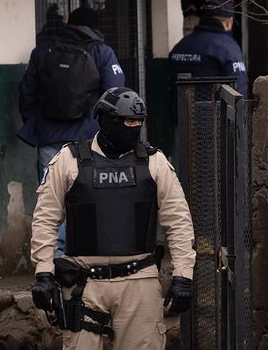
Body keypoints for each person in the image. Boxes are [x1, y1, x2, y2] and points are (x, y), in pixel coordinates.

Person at [30, 87, 196, 350]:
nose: (134, 128)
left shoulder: (154, 162)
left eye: (138, 123)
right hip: (84, 284)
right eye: (127, 122)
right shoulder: (69, 160)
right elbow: (45, 218)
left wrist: (183, 275)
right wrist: (43, 272)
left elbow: (178, 221)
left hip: (139, 281)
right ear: (106, 120)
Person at [19, 6, 125, 255]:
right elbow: (115, 94)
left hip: (48, 139)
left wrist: (37, 125)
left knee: (50, 200)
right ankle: (86, 254)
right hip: (88, 139)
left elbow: (26, 93)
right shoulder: (102, 52)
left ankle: (54, 258)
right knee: (89, 196)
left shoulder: (42, 50)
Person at [169, 0, 249, 97]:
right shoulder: (228, 46)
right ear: (228, 23)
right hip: (214, 106)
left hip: (180, 106)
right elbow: (239, 86)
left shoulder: (181, 45)